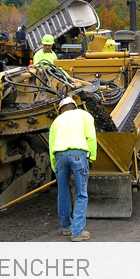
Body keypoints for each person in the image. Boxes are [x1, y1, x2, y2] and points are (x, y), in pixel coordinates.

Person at [48, 97, 97, 242]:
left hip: (59, 156)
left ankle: (66, 227)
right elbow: (91, 138)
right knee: (81, 193)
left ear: (61, 109)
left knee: (62, 191)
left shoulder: (56, 121)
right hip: (78, 155)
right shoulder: (84, 115)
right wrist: (92, 158)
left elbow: (51, 146)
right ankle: (77, 232)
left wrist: (53, 165)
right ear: (75, 107)